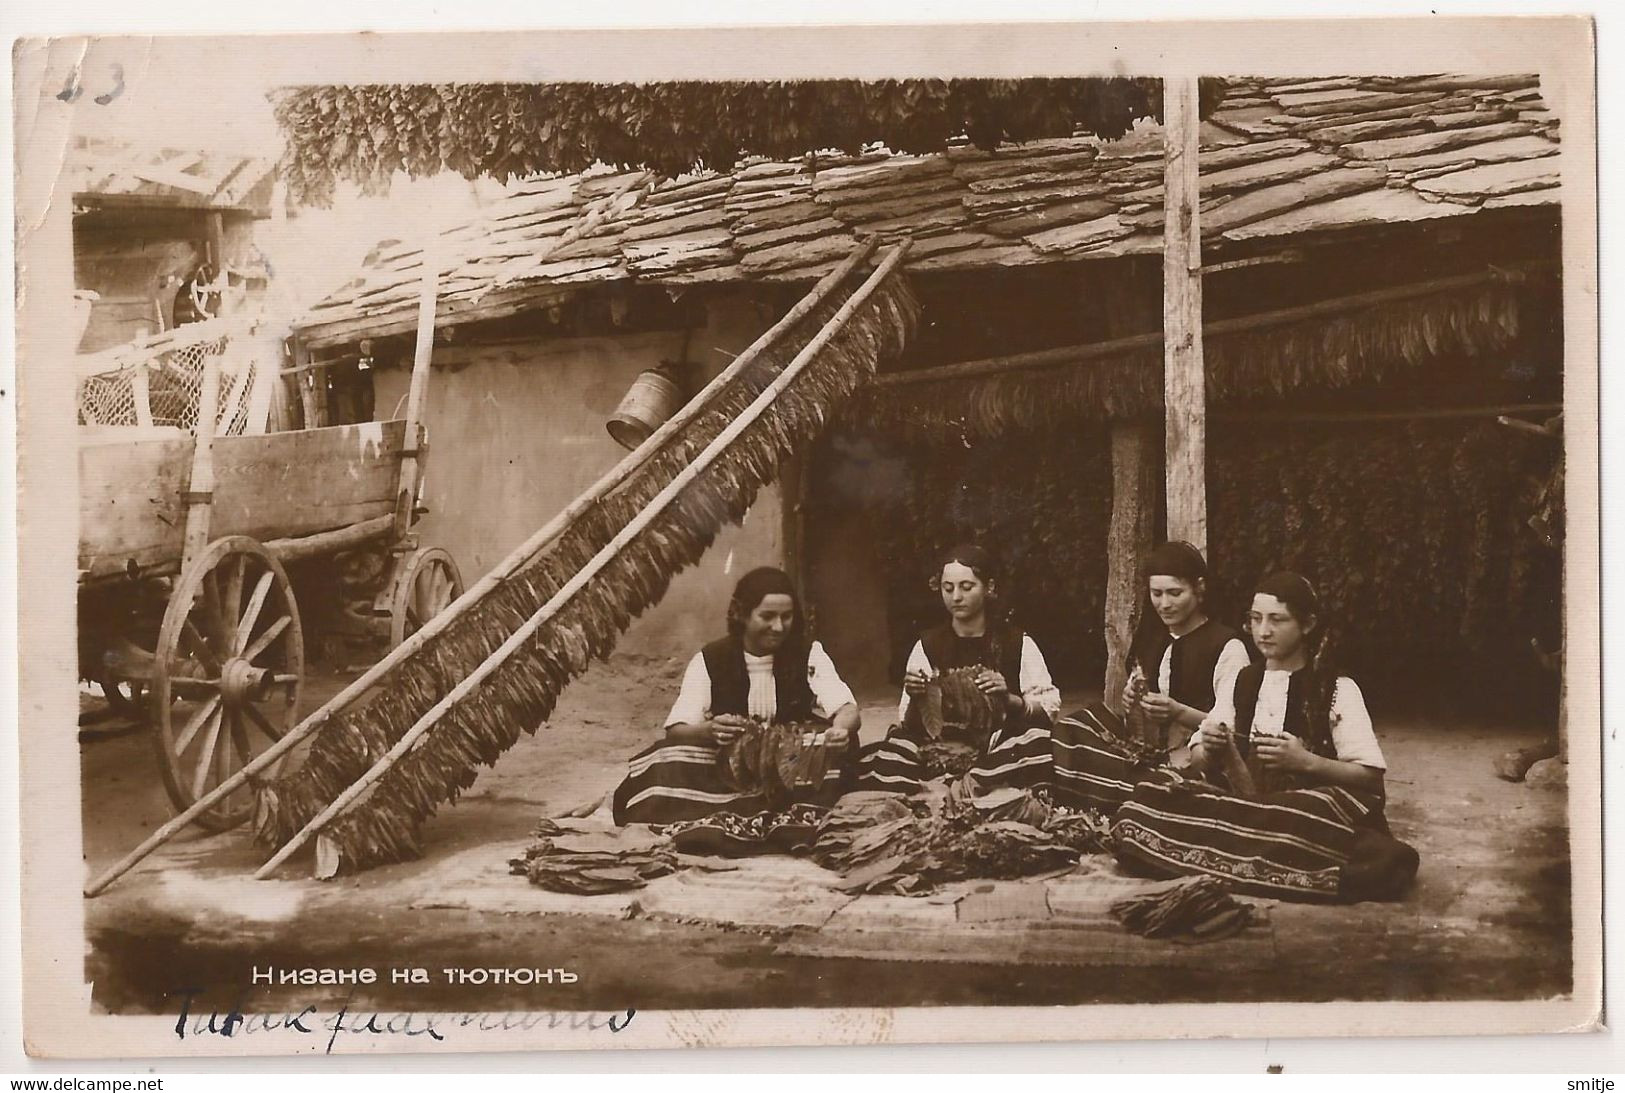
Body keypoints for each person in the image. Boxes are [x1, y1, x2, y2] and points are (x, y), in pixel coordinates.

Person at [1110, 572, 1420, 903]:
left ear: (1308, 624)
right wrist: (1210, 748)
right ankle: (1254, 852)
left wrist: (1306, 762)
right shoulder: (1244, 681)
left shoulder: (1334, 688)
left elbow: (1370, 779)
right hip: (1248, 807)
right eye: (1256, 619)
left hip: (1302, 809)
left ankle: (1229, 852)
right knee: (1146, 799)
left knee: (1300, 816)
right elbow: (1199, 759)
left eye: (1277, 620)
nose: (1264, 631)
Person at [611, 567, 861, 825]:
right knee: (668, 757)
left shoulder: (809, 654)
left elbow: (847, 709)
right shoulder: (710, 659)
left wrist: (839, 730)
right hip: (729, 766)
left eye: (786, 617)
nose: (778, 627)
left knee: (837, 750)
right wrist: (710, 730)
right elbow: (676, 730)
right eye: (767, 616)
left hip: (790, 759)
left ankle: (734, 807)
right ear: (741, 614)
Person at [1044, 541, 1252, 809]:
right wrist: (1131, 700)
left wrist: (1178, 712)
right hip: (1148, 750)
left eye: (1175, 593)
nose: (1164, 604)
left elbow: (1232, 728)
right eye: (1157, 593)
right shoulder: (1154, 639)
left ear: (1199, 588)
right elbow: (1136, 717)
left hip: (1198, 758)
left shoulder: (1227, 647)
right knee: (1075, 725)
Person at [858, 544, 1061, 794]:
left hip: (998, 748)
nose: (956, 597)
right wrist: (916, 695)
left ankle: (964, 788)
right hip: (942, 751)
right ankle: (965, 789)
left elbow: (1049, 710)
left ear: (989, 587)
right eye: (948, 588)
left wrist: (1009, 700)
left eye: (966, 587)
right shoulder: (928, 644)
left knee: (1038, 742)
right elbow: (908, 723)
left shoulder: (1016, 643)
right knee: (894, 748)